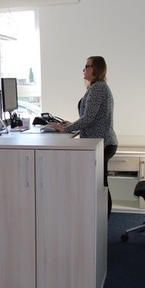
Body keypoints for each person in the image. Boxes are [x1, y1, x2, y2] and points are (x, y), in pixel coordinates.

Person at [49, 56, 118, 218]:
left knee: (100, 185)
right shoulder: (97, 87)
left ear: (97, 69)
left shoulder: (98, 88)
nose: (84, 70)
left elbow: (88, 119)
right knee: (101, 184)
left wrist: (65, 129)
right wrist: (71, 124)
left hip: (102, 143)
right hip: (102, 142)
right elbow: (91, 118)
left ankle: (102, 222)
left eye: (88, 66)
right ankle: (101, 222)